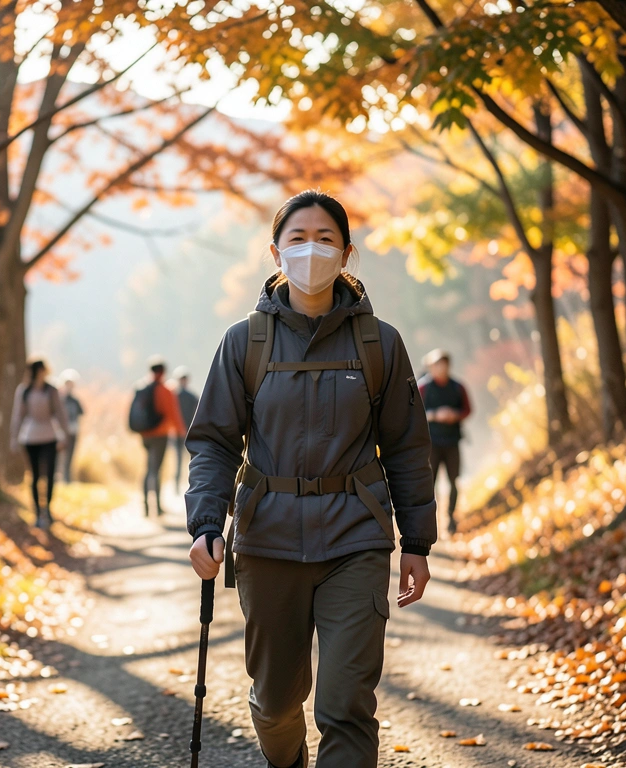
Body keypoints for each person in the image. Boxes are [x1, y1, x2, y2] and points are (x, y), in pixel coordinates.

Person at [185, 190, 437, 768]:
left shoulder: (380, 342)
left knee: (345, 705)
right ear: (275, 253)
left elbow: (406, 448)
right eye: (298, 239)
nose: (312, 250)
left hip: (357, 537)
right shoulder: (243, 341)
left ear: (347, 253)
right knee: (275, 704)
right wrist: (205, 522)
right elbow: (214, 442)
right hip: (267, 538)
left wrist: (416, 543)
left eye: (326, 239)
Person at [418, 348, 471, 536]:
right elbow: (412, 413)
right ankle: (430, 522)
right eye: (437, 365)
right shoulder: (422, 388)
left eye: (444, 364)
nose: (441, 368)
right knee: (429, 484)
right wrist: (434, 415)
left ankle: (451, 518)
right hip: (430, 444)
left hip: (452, 442)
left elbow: (467, 410)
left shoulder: (458, 387)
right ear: (430, 366)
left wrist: (454, 416)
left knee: (453, 481)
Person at [9, 360, 68, 529]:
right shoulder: (24, 391)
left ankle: (47, 509)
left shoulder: (51, 390)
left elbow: (60, 412)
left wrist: (64, 434)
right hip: (31, 438)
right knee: (35, 476)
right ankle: (37, 512)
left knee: (49, 475)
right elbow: (18, 416)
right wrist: (14, 438)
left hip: (50, 436)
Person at [138, 356, 186, 517]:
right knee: (156, 469)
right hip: (160, 434)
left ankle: (145, 504)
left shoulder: (140, 387)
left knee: (148, 468)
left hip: (145, 434)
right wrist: (182, 432)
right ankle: (156, 506)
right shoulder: (165, 390)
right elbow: (174, 414)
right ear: (163, 371)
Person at [171, 365, 199, 490]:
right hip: (185, 432)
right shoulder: (192, 397)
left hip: (181, 432)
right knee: (187, 460)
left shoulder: (173, 395)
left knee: (181, 460)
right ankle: (184, 485)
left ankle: (182, 484)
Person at [58, 369, 84, 484]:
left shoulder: (75, 400)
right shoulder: (59, 399)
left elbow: (81, 412)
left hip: (73, 431)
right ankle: (59, 477)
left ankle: (67, 478)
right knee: (60, 457)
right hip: (61, 432)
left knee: (70, 456)